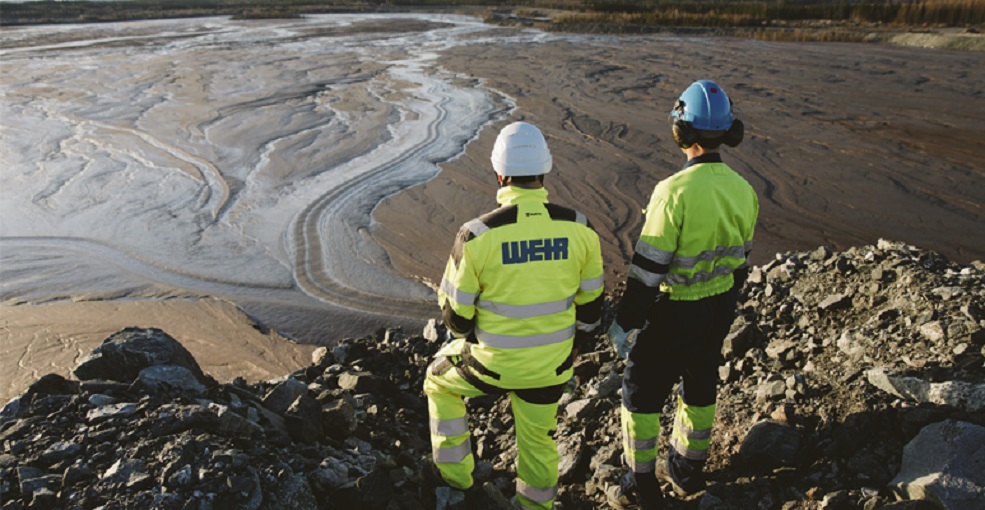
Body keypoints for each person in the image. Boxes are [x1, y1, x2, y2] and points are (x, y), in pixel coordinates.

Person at [423, 121, 605, 509]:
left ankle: (455, 477)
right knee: (538, 439)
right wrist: (569, 351)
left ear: (499, 172)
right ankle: (536, 505)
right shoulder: (581, 229)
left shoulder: (477, 236)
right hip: (551, 366)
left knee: (438, 381)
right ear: (545, 169)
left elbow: (456, 318)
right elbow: (592, 312)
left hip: (493, 365)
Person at [606, 80, 759, 509]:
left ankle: (640, 484)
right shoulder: (744, 190)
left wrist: (625, 323)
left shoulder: (672, 193)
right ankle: (687, 470)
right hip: (718, 308)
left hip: (675, 312)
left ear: (681, 131)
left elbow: (647, 271)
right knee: (700, 384)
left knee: (641, 392)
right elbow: (741, 262)